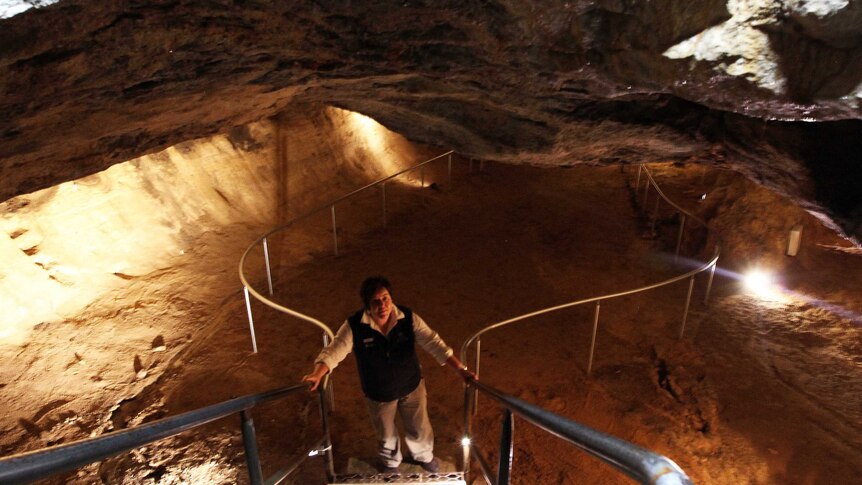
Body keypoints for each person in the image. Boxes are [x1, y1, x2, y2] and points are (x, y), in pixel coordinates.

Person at [303, 276, 474, 474]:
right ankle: (391, 464)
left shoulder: (408, 318)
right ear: (368, 305)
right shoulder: (355, 326)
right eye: (376, 301)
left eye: (386, 298)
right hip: (379, 392)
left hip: (411, 385)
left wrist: (461, 369)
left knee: (419, 428)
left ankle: (424, 457)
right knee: (386, 435)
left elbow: (434, 343)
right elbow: (334, 351)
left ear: (391, 298)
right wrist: (318, 374)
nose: (382, 305)